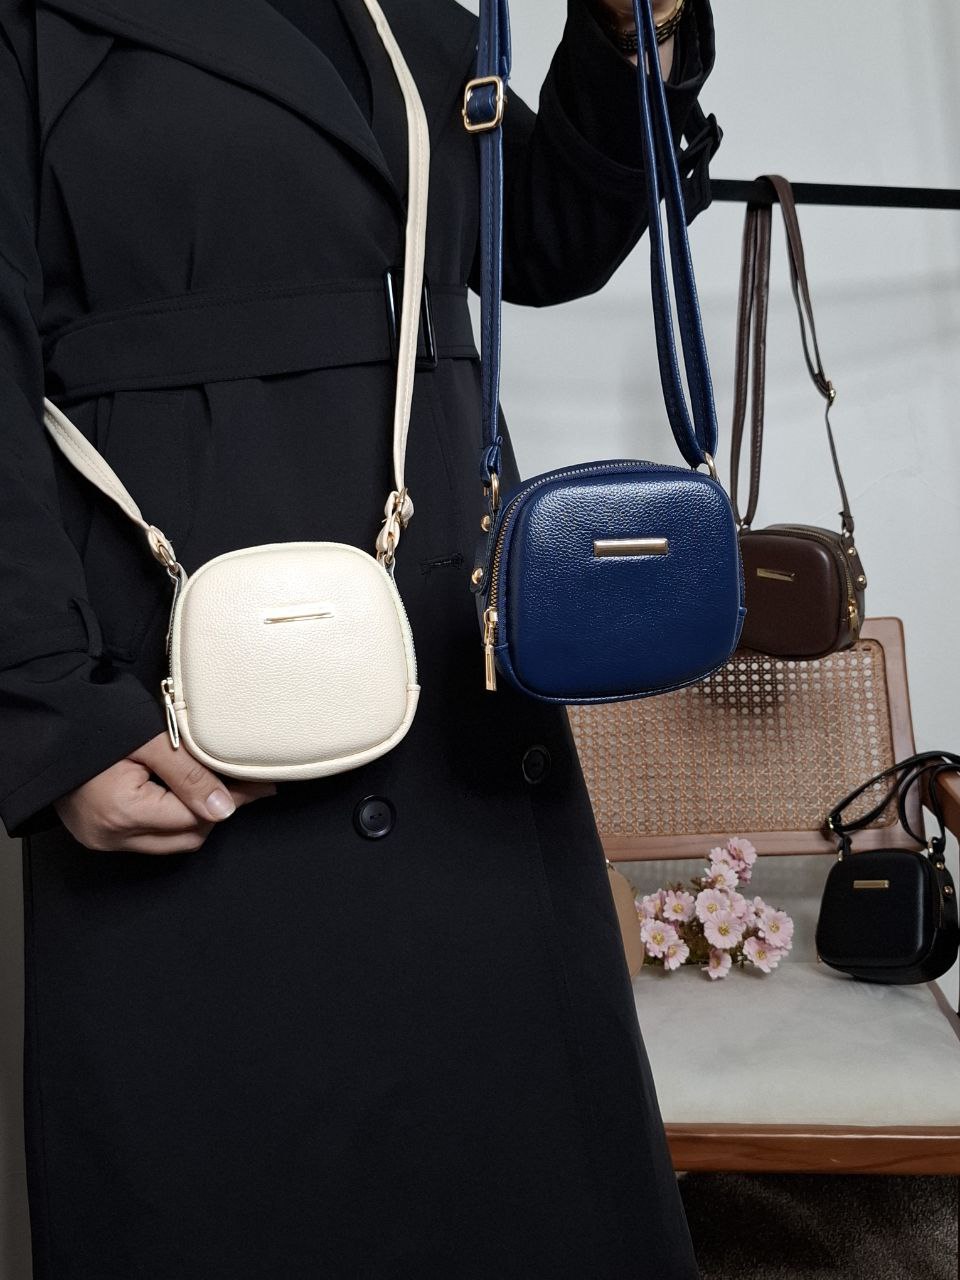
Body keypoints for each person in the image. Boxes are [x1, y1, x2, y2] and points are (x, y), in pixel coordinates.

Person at [0, 0, 718, 1275]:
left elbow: (543, 234)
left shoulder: (391, 12)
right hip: (185, 687)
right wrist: (49, 708)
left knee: (516, 1181)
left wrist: (634, 32)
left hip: (448, 688)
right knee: (233, 1183)